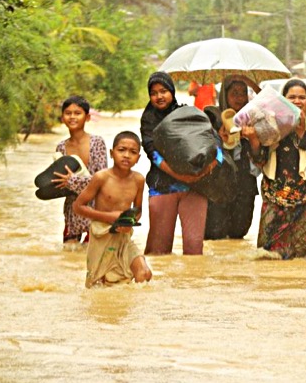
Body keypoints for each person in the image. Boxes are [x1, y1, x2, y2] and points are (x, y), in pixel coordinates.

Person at [139, 71, 215, 256]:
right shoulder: (148, 120)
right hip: (163, 185)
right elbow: (152, 154)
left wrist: (211, 165)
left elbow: (211, 140)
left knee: (194, 248)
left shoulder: (187, 114)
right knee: (158, 251)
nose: (159, 96)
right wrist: (180, 176)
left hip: (196, 186)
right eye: (154, 92)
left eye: (163, 91)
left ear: (172, 91)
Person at [249, 79, 306, 259]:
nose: (297, 101)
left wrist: (302, 133)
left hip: (305, 202)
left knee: (299, 258)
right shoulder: (270, 125)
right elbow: (259, 161)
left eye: (302, 98)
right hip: (274, 200)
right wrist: (254, 140)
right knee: (266, 256)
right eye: (292, 97)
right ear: (283, 100)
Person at [73, 131, 153, 287]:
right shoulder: (101, 178)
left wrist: (129, 222)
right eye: (121, 150)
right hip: (102, 235)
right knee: (99, 284)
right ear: (111, 153)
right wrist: (109, 217)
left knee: (144, 273)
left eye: (133, 152)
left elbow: (138, 211)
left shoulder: (138, 180)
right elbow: (78, 206)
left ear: (138, 158)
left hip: (124, 236)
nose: (127, 155)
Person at [205, 74, 261, 240]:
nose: (239, 97)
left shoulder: (253, 119)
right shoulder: (211, 117)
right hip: (218, 185)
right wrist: (218, 139)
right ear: (224, 95)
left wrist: (252, 139)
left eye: (243, 93)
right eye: (234, 93)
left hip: (245, 184)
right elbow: (202, 152)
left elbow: (260, 158)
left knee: (239, 232)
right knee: (215, 234)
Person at [51, 96, 107, 245]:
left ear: (87, 117)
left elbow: (102, 179)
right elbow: (60, 181)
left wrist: (71, 181)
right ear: (62, 118)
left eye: (77, 113)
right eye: (68, 113)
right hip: (72, 210)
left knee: (90, 257)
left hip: (95, 209)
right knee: (69, 257)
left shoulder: (97, 143)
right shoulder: (61, 147)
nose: (72, 117)